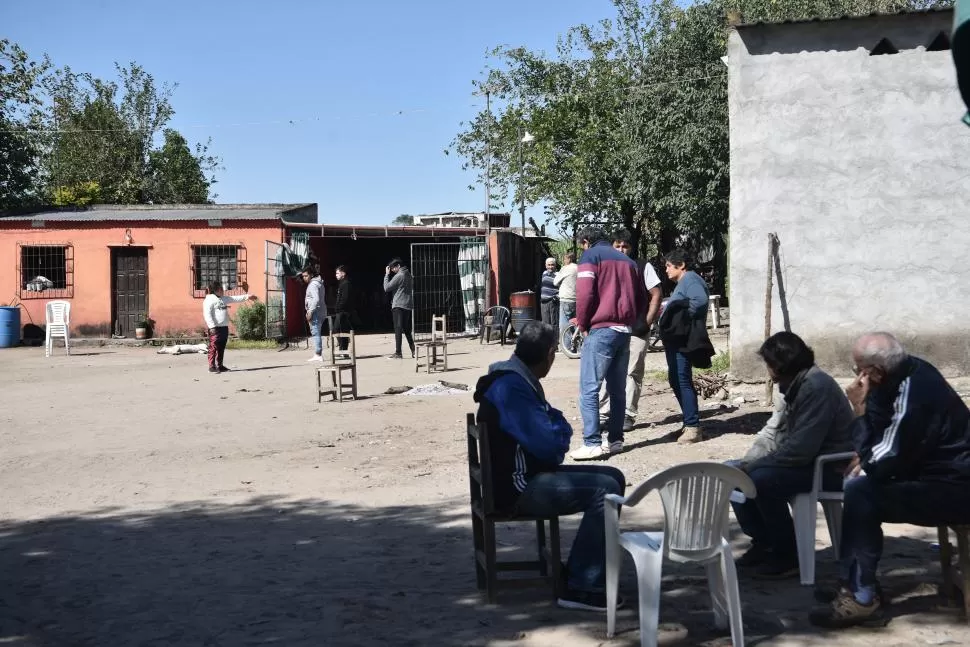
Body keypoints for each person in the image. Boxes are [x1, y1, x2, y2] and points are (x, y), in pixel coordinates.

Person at [810, 333, 970, 629]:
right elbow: (879, 430)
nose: (857, 374)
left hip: (955, 487)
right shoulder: (898, 374)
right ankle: (854, 583)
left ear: (876, 372)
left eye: (859, 368)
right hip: (929, 474)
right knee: (856, 483)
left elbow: (881, 462)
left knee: (861, 492)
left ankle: (861, 597)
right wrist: (867, 442)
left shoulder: (915, 392)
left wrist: (858, 412)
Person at [473, 321, 626, 611]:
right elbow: (552, 448)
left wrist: (554, 425)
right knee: (604, 491)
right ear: (550, 354)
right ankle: (581, 586)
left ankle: (584, 570)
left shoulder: (518, 379)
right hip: (517, 488)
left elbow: (552, 425)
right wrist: (558, 428)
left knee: (614, 478)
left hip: (529, 475)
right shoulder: (512, 387)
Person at [728, 332, 854, 578]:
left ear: (780, 364)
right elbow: (772, 432)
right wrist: (746, 463)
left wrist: (754, 469)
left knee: (762, 479)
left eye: (769, 364)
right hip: (805, 463)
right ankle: (764, 542)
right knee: (731, 472)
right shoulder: (791, 386)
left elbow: (800, 450)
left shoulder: (816, 388)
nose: (768, 370)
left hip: (828, 468)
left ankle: (786, 555)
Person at [570, 226, 648, 461]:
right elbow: (640, 297)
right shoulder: (628, 261)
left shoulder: (590, 256)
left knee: (589, 389)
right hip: (624, 329)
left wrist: (582, 323)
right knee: (617, 389)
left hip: (601, 329)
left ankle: (592, 442)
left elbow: (585, 294)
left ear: (585, 242)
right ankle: (615, 440)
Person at [598, 229, 664, 431]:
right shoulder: (604, 267)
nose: (621, 250)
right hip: (610, 328)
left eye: (625, 246)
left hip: (636, 329)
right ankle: (603, 414)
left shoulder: (642, 266)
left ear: (631, 248)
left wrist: (647, 321)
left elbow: (656, 293)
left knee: (632, 372)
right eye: (617, 246)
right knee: (606, 370)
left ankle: (627, 415)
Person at [659, 249, 712, 444]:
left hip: (683, 339)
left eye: (668, 266)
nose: (666, 270)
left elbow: (699, 301)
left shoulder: (690, 278)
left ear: (681, 265)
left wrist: (679, 319)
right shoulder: (685, 282)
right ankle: (689, 422)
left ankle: (693, 426)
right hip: (676, 340)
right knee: (675, 378)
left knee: (682, 379)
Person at [202, 281, 257, 373]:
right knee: (213, 347)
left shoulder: (223, 298)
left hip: (224, 327)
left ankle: (220, 365)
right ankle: (211, 366)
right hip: (215, 328)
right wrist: (211, 327)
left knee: (221, 347)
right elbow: (207, 314)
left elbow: (235, 298)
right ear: (215, 290)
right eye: (221, 289)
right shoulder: (208, 300)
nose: (223, 291)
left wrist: (248, 296)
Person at [383, 257, 414, 359]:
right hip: (408, 305)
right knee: (406, 328)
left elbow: (387, 288)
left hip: (398, 305)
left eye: (393, 268)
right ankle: (413, 349)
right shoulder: (409, 275)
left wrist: (386, 275)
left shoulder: (399, 275)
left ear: (398, 266)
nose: (392, 270)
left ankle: (398, 352)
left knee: (398, 328)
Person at [301, 267, 327, 362]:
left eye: (306, 275)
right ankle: (318, 353)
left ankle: (318, 354)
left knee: (315, 332)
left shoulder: (313, 285)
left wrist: (310, 311)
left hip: (315, 311)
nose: (304, 278)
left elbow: (315, 299)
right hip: (320, 310)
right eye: (303, 276)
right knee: (316, 331)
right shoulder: (319, 283)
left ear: (311, 275)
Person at [554, 252, 578, 337]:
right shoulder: (579, 268)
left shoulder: (565, 268)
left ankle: (567, 347)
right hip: (576, 300)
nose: (564, 261)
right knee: (575, 324)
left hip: (566, 299)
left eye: (564, 259)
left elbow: (555, 282)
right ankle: (577, 346)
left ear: (569, 259)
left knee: (565, 325)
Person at [333, 265, 354, 352]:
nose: (336, 275)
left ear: (343, 273)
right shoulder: (342, 283)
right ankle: (342, 349)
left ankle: (343, 350)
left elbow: (345, 299)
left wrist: (339, 307)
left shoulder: (346, 284)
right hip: (340, 311)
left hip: (343, 311)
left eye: (338, 273)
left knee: (340, 330)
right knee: (338, 330)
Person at [539, 257, 560, 336]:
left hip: (552, 301)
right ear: (545, 265)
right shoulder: (544, 273)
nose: (550, 267)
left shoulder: (558, 275)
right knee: (545, 322)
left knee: (554, 322)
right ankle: (546, 341)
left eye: (552, 265)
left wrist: (557, 296)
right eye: (549, 265)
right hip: (544, 302)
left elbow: (562, 288)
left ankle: (554, 342)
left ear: (555, 266)